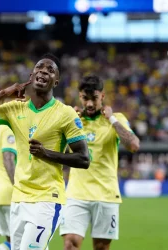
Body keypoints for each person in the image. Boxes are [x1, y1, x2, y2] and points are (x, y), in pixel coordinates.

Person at [0, 54, 90, 250]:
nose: (43, 71)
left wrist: (46, 153)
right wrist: (3, 93)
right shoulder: (15, 108)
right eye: (40, 67)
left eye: (50, 70)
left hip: (48, 199)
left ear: (55, 81)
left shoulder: (65, 113)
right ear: (31, 76)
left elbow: (84, 159)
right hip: (19, 198)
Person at [60, 75, 140, 250]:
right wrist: (68, 121)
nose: (89, 104)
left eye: (94, 99)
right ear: (80, 97)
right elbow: (56, 149)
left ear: (102, 96)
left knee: (101, 248)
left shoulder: (117, 119)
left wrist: (112, 120)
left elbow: (133, 144)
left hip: (106, 194)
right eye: (85, 98)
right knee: (70, 244)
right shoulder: (74, 119)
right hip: (76, 194)